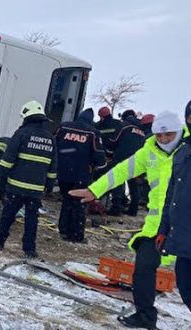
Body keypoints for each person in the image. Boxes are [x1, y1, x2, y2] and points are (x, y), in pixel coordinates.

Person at [70, 111, 185, 329]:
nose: (164, 141)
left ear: (178, 132)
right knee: (143, 268)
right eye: (159, 136)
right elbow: (122, 171)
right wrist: (95, 190)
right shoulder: (149, 152)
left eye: (169, 135)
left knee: (186, 281)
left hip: (185, 224)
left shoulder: (187, 151)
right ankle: (145, 315)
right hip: (157, 226)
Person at [0, 100, 57, 259]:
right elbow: (53, 166)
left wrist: (0, 176)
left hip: (16, 186)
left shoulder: (21, 134)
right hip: (36, 190)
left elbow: (8, 158)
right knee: (32, 220)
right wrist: (49, 186)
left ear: (27, 117)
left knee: (8, 215)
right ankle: (29, 250)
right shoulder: (50, 138)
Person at [157, 103, 191, 313]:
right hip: (183, 238)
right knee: (186, 288)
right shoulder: (183, 152)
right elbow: (172, 197)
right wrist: (163, 229)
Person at [55, 108, 106, 243]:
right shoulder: (92, 132)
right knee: (79, 204)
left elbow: (54, 144)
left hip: (63, 173)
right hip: (81, 175)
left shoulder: (64, 127)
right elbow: (100, 157)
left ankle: (64, 230)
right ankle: (76, 235)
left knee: (66, 200)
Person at [104, 109, 146, 216]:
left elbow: (114, 141)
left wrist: (109, 154)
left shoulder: (124, 126)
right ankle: (133, 210)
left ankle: (116, 208)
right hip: (137, 160)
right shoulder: (142, 130)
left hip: (122, 159)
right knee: (133, 186)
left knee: (117, 182)